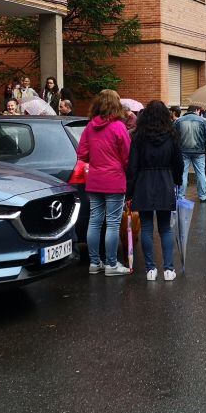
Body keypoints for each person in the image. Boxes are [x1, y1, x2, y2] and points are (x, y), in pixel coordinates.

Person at [76, 89, 133, 276]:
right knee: (113, 223)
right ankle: (111, 264)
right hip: (114, 180)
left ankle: (94, 263)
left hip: (94, 180)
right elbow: (127, 156)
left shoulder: (90, 127)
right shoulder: (118, 127)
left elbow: (82, 154)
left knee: (94, 221)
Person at [127, 100, 183, 281]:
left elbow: (132, 166)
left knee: (146, 228)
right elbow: (179, 163)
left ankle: (150, 269)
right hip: (165, 181)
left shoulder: (138, 136)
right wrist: (177, 180)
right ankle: (168, 269)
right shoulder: (172, 135)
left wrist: (130, 190)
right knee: (165, 228)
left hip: (143, 183)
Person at [175, 105, 206, 202]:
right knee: (201, 174)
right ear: (196, 110)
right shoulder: (203, 121)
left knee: (183, 174)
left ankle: (181, 196)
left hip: (183, 151)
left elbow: (174, 137)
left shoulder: (179, 121)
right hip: (199, 151)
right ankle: (202, 196)